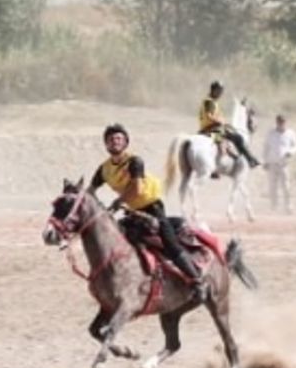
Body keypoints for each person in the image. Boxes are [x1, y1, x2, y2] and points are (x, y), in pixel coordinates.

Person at [88, 123, 208, 301]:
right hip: (132, 212)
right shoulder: (104, 169)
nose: (115, 141)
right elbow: (90, 191)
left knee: (170, 243)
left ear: (125, 142)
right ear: (106, 144)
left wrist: (118, 201)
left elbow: (137, 189)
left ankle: (197, 281)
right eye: (111, 139)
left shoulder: (134, 161)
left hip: (152, 208)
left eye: (119, 138)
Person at [198, 81, 260, 168]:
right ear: (214, 90)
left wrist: (224, 122)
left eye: (221, 91)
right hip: (211, 130)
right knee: (238, 137)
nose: (220, 93)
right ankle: (248, 159)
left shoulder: (211, 101)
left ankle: (241, 157)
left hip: (209, 128)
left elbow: (214, 116)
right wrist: (221, 122)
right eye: (219, 91)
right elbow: (210, 116)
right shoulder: (209, 101)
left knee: (231, 134)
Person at [263, 113, 296, 214]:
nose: (281, 123)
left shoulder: (290, 133)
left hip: (284, 164)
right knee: (272, 187)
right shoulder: (271, 133)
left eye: (283, 121)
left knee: (286, 186)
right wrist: (265, 161)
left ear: (286, 122)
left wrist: (290, 152)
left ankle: (289, 206)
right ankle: (274, 206)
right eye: (279, 121)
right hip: (272, 163)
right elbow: (266, 147)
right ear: (276, 122)